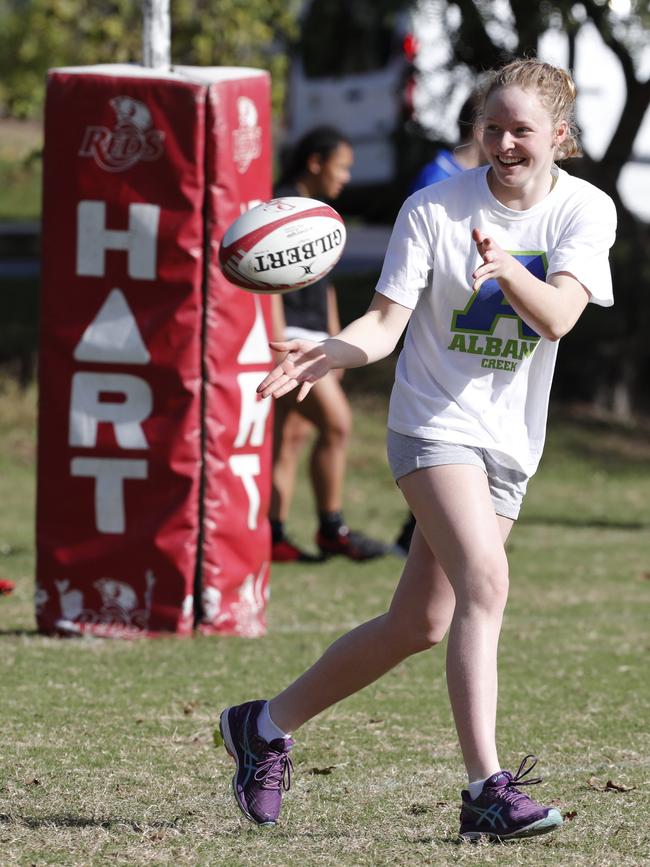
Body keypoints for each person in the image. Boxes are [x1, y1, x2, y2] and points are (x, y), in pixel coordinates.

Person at [218, 59, 616, 841]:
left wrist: (504, 267)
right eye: (490, 127)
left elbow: (560, 316)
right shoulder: (432, 208)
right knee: (487, 579)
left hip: (509, 439)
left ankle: (263, 725)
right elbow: (385, 324)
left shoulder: (586, 210)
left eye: (521, 130)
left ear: (559, 138)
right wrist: (331, 349)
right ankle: (485, 791)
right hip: (433, 422)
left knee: (422, 621)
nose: (503, 142)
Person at [270, 126, 386, 563]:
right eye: (342, 167)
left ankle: (273, 535)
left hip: (318, 337)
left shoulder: (316, 212)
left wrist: (337, 340)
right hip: (293, 339)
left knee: (290, 436)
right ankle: (331, 529)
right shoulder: (277, 208)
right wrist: (279, 345)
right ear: (315, 163)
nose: (346, 178)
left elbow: (325, 282)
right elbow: (265, 286)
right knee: (337, 425)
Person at [393, 90, 484, 557]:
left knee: (421, 619)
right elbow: (413, 266)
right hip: (436, 356)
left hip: (486, 395)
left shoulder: (501, 188)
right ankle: (408, 533)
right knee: (483, 582)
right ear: (479, 126)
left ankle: (414, 536)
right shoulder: (436, 182)